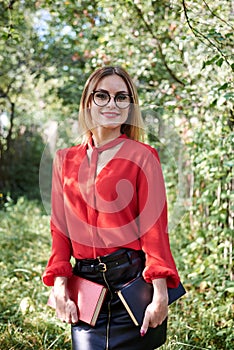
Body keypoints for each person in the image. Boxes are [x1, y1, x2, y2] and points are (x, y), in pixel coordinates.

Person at [42, 66, 181, 350]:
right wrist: (59, 286)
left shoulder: (144, 156)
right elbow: (60, 230)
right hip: (86, 291)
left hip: (132, 286)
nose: (112, 104)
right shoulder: (64, 160)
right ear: (88, 102)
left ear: (130, 106)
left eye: (121, 97)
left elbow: (155, 230)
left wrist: (160, 295)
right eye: (102, 96)